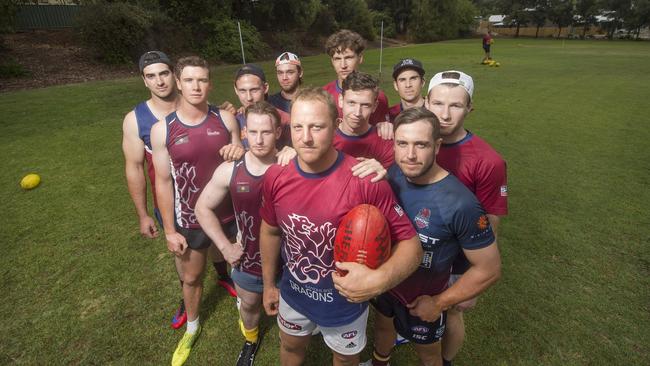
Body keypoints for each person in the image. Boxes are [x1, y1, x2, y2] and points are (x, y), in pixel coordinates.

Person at [259, 87, 422, 366]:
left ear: (335, 126)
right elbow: (270, 230)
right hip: (293, 295)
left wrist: (379, 280)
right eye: (298, 127)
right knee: (290, 348)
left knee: (346, 360)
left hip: (345, 305)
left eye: (317, 127)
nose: (306, 137)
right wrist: (267, 285)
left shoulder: (364, 180)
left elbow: (412, 245)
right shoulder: (276, 176)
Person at [362, 107, 502, 366]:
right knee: (382, 328)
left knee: (428, 354)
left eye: (421, 144)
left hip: (423, 298)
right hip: (387, 284)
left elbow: (490, 268)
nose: (410, 155)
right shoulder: (392, 174)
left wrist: (439, 303)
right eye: (402, 144)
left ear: (437, 146)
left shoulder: (461, 204)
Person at [150, 56, 244, 366]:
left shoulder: (226, 120)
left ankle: (247, 312)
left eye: (202, 80)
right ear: (179, 82)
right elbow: (163, 183)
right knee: (191, 278)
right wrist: (169, 229)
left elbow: (243, 164)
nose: (196, 86)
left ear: (210, 83)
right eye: (189, 80)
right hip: (189, 218)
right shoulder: (163, 129)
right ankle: (192, 327)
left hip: (230, 214)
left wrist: (239, 150)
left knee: (241, 267)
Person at [425, 70, 508, 366]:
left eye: (456, 105)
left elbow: (492, 219)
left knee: (453, 311)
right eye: (438, 103)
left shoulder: (488, 161)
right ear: (426, 103)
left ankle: (445, 361)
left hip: (457, 258)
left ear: (469, 108)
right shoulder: (413, 142)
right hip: (417, 248)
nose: (445, 114)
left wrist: (476, 278)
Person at [195, 101, 283, 366]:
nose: (259, 139)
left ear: (278, 133)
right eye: (253, 132)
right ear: (244, 133)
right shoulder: (230, 170)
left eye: (266, 132)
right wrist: (224, 247)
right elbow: (202, 208)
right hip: (248, 260)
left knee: (290, 313)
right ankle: (251, 340)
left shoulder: (292, 167)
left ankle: (289, 339)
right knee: (249, 306)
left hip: (288, 262)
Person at [323, 29, 390, 125]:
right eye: (337, 59)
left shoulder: (378, 97)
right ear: (332, 61)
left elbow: (381, 135)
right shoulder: (323, 96)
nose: (343, 65)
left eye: (348, 57)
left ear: (360, 58)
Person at [334, 71, 394, 169]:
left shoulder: (386, 143)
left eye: (365, 105)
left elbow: (396, 181)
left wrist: (385, 175)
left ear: (375, 106)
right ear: (341, 101)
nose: (357, 113)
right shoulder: (325, 139)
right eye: (351, 103)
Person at [233, 64, 291, 148]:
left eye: (254, 90)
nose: (249, 98)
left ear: (265, 88)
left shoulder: (284, 120)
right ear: (236, 90)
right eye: (242, 91)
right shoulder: (232, 121)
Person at [389, 58, 426, 122]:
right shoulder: (389, 116)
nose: (408, 85)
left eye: (413, 78)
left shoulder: (435, 110)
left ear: (422, 82)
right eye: (402, 80)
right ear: (395, 85)